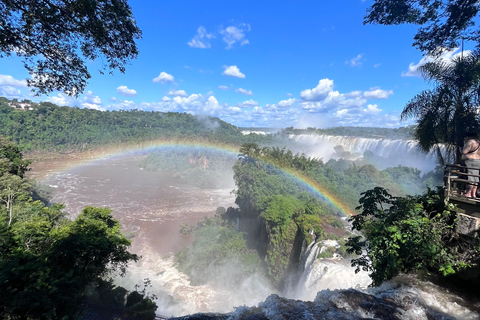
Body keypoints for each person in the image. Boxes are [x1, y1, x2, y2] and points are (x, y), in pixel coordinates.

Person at [462, 132, 480, 199]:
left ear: (468, 137)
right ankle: (473, 194)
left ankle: (468, 194)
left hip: (471, 161)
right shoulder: (478, 142)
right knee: (476, 177)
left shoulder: (470, 142)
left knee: (470, 177)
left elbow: (464, 152)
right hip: (478, 161)